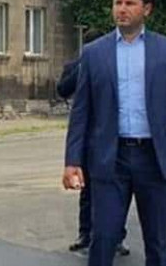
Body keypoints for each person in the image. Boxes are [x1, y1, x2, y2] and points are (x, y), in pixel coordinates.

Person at [63, 0, 166, 266]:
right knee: (102, 240)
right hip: (109, 160)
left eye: (130, 3)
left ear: (146, 9)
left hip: (155, 160)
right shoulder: (94, 53)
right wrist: (72, 161)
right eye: (118, 3)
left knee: (159, 245)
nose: (122, 9)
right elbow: (81, 112)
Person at [57, 30, 130, 257]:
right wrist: (83, 66)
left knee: (117, 190)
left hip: (113, 137)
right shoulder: (76, 66)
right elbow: (62, 89)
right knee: (88, 190)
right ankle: (85, 234)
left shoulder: (117, 64)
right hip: (88, 138)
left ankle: (116, 236)